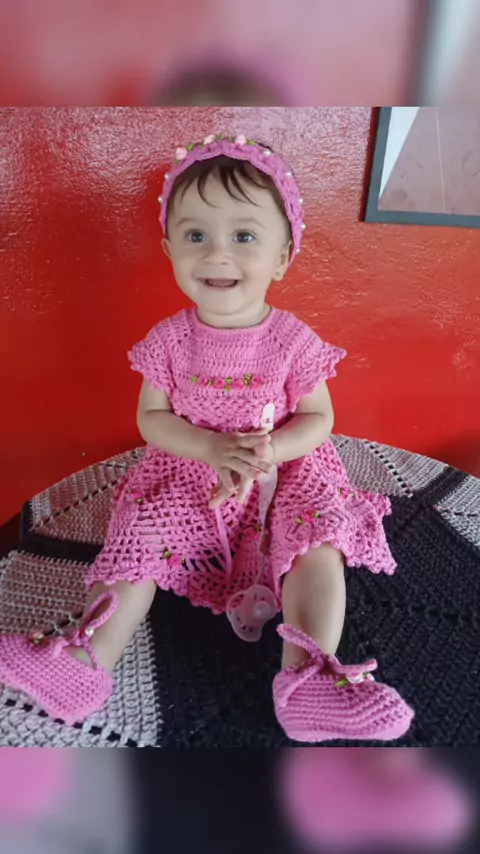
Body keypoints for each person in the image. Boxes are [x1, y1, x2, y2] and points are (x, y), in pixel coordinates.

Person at [0, 134, 414, 742]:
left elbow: (319, 419)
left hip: (285, 472)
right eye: (196, 235)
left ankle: (309, 676)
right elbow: (152, 419)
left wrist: (273, 449)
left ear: (282, 256)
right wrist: (210, 448)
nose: (217, 253)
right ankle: (87, 657)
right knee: (139, 532)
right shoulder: (169, 340)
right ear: (171, 249)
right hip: (192, 471)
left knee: (317, 540)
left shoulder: (293, 340)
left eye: (243, 236)